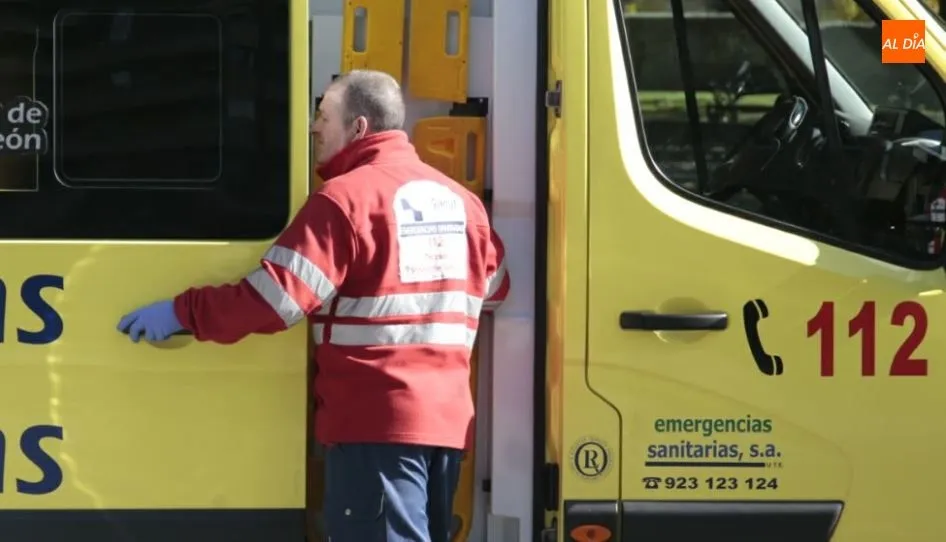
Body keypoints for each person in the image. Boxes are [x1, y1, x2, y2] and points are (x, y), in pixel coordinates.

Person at [116, 69, 511, 542]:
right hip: (444, 428)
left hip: (374, 426)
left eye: (324, 115)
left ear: (359, 128)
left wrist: (183, 312)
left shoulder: (344, 201)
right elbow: (495, 287)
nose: (313, 127)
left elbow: (274, 299)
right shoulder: (463, 203)